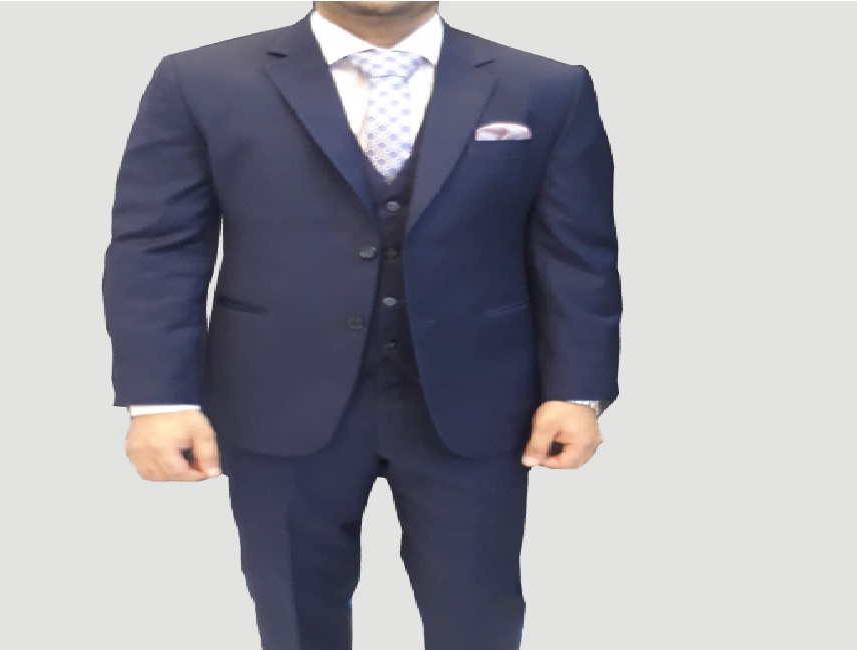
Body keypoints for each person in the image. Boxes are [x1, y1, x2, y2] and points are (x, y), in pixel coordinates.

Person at [102, 2, 621, 648]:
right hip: (277, 397)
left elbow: (576, 254)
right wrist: (160, 400)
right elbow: (158, 247)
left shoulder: (545, 86)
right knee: (294, 616)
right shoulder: (202, 79)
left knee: (480, 616)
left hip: (477, 401)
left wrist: (576, 391)